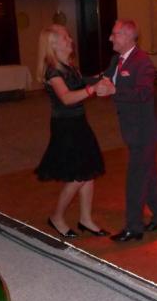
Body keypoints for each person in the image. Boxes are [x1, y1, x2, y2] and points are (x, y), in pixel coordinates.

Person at [35, 24, 111, 239]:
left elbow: (81, 82)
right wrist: (92, 89)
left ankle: (85, 219)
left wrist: (100, 78)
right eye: (65, 37)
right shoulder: (53, 71)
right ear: (53, 44)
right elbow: (67, 98)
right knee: (78, 176)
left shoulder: (68, 66)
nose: (70, 39)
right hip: (66, 127)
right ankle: (56, 217)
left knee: (89, 172)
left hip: (79, 122)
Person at [100, 19, 157, 242]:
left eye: (114, 34)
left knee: (136, 180)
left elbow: (144, 94)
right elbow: (103, 78)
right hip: (133, 130)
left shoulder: (143, 62)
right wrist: (75, 81)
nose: (110, 38)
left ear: (128, 36)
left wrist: (114, 91)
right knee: (147, 176)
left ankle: (134, 228)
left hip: (144, 133)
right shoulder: (117, 60)